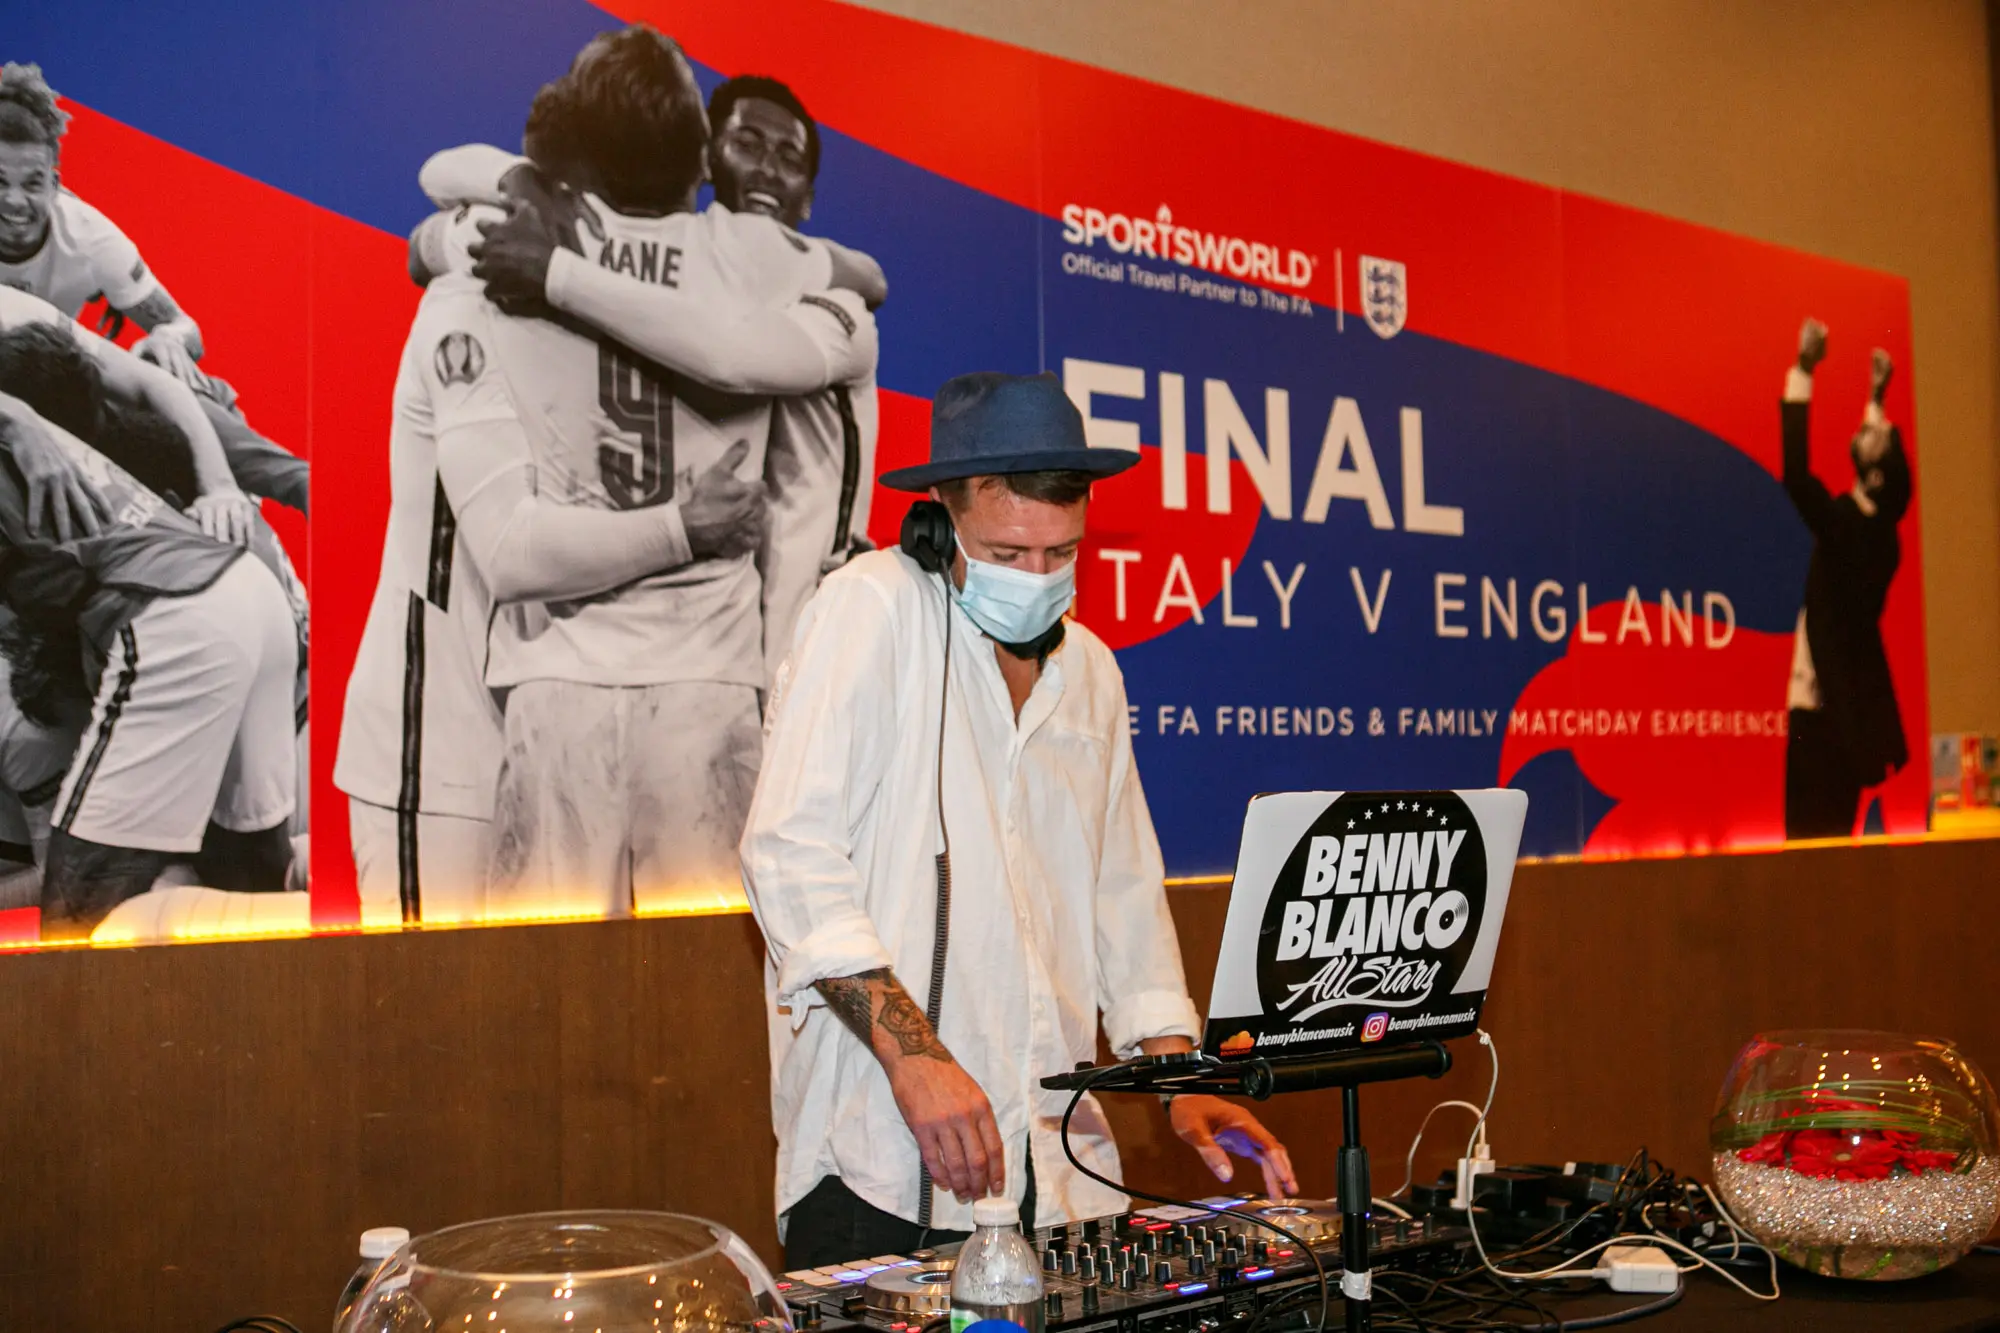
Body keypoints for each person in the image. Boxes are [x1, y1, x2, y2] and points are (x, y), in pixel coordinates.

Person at [741, 371, 1297, 1268]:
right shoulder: (872, 607)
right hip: (882, 1166)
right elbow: (787, 853)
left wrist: (1176, 1076)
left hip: (1060, 1167)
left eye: (1059, 552)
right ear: (939, 522)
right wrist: (915, 1056)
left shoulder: (1092, 670)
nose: (1037, 578)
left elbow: (1122, 893)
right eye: (1007, 552)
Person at [414, 71, 885, 685]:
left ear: (809, 198)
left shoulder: (826, 299)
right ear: (706, 159)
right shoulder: (661, 254)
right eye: (746, 145)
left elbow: (742, 348)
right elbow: (429, 219)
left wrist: (555, 276)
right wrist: (519, 180)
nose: (768, 170)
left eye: (789, 159)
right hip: (693, 643)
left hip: (802, 637)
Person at [0, 61, 309, 514]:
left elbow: (185, 328)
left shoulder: (89, 238)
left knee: (166, 372)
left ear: (55, 185)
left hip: (65, 389)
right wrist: (14, 416)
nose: (14, 201)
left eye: (32, 184)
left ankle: (293, 487)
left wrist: (168, 338)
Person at [1781, 317, 1911, 838]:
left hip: (1821, 720)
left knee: (1809, 858)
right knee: (1828, 857)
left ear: (1874, 476)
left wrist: (1804, 370)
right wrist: (1876, 399)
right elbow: (1881, 481)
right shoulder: (1879, 536)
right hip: (1844, 721)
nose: (1874, 427)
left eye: (1880, 436)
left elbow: (1796, 475)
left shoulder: (1847, 530)